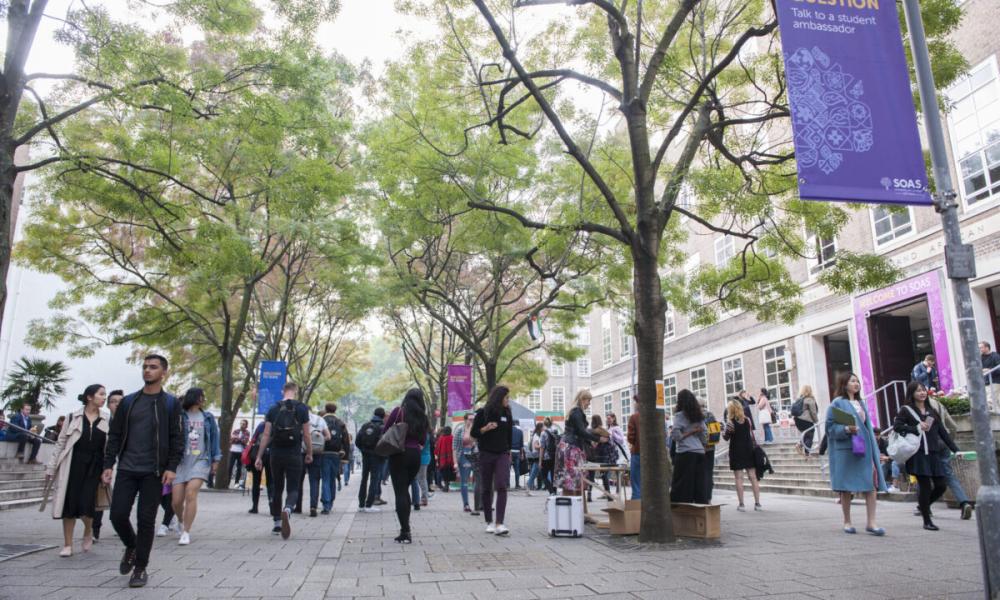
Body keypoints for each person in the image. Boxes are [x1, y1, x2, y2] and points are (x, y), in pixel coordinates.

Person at [102, 354, 183, 588]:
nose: (147, 370)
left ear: (163, 372)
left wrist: (171, 467)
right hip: (127, 467)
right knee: (117, 515)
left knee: (146, 520)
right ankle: (131, 544)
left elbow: (178, 438)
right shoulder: (128, 402)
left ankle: (140, 567)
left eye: (153, 367)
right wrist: (109, 464)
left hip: (154, 471)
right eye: (145, 367)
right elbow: (115, 435)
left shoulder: (170, 403)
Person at [45, 384, 110, 557]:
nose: (104, 397)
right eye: (101, 394)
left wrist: (108, 468)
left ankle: (88, 530)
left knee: (86, 504)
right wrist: (51, 467)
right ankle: (67, 544)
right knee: (70, 504)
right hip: (72, 464)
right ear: (90, 397)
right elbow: (60, 443)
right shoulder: (72, 417)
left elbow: (109, 447)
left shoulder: (106, 419)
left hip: (95, 466)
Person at [826, 371, 886, 536]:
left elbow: (867, 426)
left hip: (863, 448)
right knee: (846, 488)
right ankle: (847, 521)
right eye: (852, 381)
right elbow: (830, 428)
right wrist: (846, 429)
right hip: (847, 450)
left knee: (871, 485)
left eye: (858, 381)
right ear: (844, 384)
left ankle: (871, 522)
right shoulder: (837, 403)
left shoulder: (861, 403)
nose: (856, 383)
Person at [895, 382, 961, 531]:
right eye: (918, 391)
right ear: (912, 393)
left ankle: (923, 506)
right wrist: (916, 428)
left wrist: (955, 450)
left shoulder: (931, 411)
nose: (922, 393)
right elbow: (897, 427)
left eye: (923, 390)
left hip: (933, 452)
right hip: (918, 453)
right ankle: (927, 520)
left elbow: (943, 432)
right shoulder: (906, 410)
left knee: (941, 485)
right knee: (924, 486)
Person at [254, 382, 312, 540]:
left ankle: (277, 523)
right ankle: (288, 509)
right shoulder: (302, 408)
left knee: (276, 487)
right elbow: (306, 435)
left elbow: (266, 434)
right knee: (293, 487)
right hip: (294, 453)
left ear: (283, 391)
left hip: (276, 453)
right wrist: (309, 452)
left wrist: (259, 456)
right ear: (296, 391)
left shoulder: (273, 408)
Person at [172, 388, 221, 545]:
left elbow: (214, 438)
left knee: (191, 493)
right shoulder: (179, 416)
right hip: (180, 461)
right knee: (176, 501)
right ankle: (180, 520)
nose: (203, 400)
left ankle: (186, 531)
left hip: (201, 460)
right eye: (202, 397)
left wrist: (216, 459)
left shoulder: (207, 417)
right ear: (195, 398)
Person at [383, 388, 429, 543]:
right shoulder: (423, 416)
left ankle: (405, 531)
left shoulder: (398, 412)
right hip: (415, 455)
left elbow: (385, 430)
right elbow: (423, 440)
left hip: (398, 454)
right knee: (406, 490)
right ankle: (405, 529)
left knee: (401, 492)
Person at [471, 385, 514, 536]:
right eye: (507, 397)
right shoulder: (482, 413)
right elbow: (474, 433)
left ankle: (500, 523)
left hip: (502, 453)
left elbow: (509, 435)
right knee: (486, 487)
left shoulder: (507, 414)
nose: (508, 400)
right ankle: (489, 521)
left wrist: (509, 452)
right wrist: (486, 428)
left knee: (502, 485)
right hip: (486, 453)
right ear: (499, 397)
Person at [927, 393, 975, 520]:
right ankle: (964, 502)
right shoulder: (938, 404)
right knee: (949, 475)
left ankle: (924, 506)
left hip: (929, 445)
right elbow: (952, 425)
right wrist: (950, 442)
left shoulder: (919, 406)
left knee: (924, 476)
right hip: (944, 442)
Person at [557, 390, 604, 496]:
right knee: (576, 480)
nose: (589, 403)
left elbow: (579, 432)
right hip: (572, 448)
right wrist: (598, 439)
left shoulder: (574, 411)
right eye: (588, 400)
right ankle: (576, 507)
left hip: (568, 446)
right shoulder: (577, 412)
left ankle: (571, 507)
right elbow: (581, 432)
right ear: (583, 399)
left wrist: (591, 440)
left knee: (568, 480)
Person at [92, 389, 123, 543]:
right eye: (113, 401)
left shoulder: (131, 422)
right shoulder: (102, 421)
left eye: (120, 402)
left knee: (120, 499)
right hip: (104, 464)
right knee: (99, 497)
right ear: (108, 405)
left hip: (124, 465)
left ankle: (120, 524)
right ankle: (94, 529)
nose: (116, 404)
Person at [723, 399, 761, 511]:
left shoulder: (730, 423)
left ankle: (741, 505)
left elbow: (726, 437)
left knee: (739, 478)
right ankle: (757, 503)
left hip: (736, 451)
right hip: (749, 450)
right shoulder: (747, 420)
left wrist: (723, 430)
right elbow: (751, 434)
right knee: (753, 477)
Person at [670, 389, 707, 504]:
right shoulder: (699, 415)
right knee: (698, 484)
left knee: (682, 485)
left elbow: (676, 436)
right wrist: (702, 445)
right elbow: (704, 434)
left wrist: (689, 432)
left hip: (685, 452)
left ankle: (683, 511)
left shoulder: (679, 416)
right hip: (699, 452)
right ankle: (701, 510)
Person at [296, 407, 329, 517]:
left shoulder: (298, 419)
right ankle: (313, 506)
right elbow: (328, 436)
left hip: (301, 453)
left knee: (298, 480)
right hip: (317, 453)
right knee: (314, 480)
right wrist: (318, 439)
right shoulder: (320, 420)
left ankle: (298, 506)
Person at [355, 407, 385, 512]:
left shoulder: (365, 425)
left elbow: (357, 441)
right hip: (377, 457)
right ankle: (369, 504)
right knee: (374, 479)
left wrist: (363, 450)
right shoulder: (382, 427)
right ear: (383, 415)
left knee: (364, 479)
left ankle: (361, 504)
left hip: (366, 456)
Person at [321, 403, 348, 515]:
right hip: (336, 454)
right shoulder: (341, 423)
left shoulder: (321, 420)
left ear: (325, 409)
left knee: (325, 479)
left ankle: (326, 504)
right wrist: (345, 458)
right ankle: (331, 502)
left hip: (323, 452)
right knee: (332, 478)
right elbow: (346, 440)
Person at [453, 413, 478, 511]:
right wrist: (455, 462)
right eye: (470, 419)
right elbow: (454, 447)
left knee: (478, 480)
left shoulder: (476, 430)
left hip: (475, 455)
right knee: (465, 481)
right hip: (463, 455)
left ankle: (478, 503)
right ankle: (466, 504)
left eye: (473, 419)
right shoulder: (459, 430)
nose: (472, 421)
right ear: (465, 420)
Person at [246, 420, 272, 515]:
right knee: (271, 482)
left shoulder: (261, 425)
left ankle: (255, 507)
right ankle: (272, 506)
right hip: (270, 455)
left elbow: (253, 439)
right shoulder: (277, 426)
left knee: (256, 482)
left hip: (257, 454)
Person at [794, 385, 820, 456]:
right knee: (810, 436)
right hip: (806, 420)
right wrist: (816, 421)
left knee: (806, 434)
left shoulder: (799, 399)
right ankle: (806, 453)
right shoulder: (809, 399)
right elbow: (813, 412)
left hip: (798, 420)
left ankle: (800, 444)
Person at [412, 431, 432, 509]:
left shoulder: (424, 434)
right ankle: (423, 498)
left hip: (423, 458)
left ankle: (424, 499)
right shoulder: (426, 434)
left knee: (422, 479)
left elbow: (421, 447)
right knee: (421, 479)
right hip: (424, 457)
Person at [538, 417, 558, 495]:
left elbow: (542, 448)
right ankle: (555, 491)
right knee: (554, 475)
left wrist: (540, 461)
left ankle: (551, 491)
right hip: (554, 456)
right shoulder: (555, 431)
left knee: (544, 476)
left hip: (546, 457)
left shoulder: (543, 433)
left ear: (544, 424)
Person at [229, 420, 250, 488]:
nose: (242, 425)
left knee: (239, 467)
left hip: (241, 451)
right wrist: (239, 439)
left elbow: (245, 441)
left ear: (246, 425)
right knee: (230, 466)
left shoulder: (247, 432)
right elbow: (231, 440)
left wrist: (237, 438)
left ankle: (236, 482)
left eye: (243, 424)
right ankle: (228, 482)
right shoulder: (236, 431)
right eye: (241, 423)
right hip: (233, 450)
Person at [626, 400, 640, 500]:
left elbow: (631, 437)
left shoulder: (634, 417)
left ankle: (636, 511)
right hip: (653, 456)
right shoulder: (656, 416)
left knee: (636, 483)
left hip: (638, 452)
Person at [435, 426, 454, 492]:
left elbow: (437, 448)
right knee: (449, 472)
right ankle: (447, 485)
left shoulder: (441, 438)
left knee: (443, 471)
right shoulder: (452, 438)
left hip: (442, 458)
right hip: (450, 458)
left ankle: (442, 485)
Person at [982, 341, 1000, 408]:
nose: (979, 349)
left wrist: (989, 370)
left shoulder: (995, 356)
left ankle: (988, 417)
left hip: (995, 381)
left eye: (981, 347)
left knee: (990, 400)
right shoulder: (980, 358)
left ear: (987, 348)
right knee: (997, 401)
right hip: (986, 382)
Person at [526, 422, 543, 491]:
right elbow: (536, 446)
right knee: (534, 473)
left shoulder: (536, 435)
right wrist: (542, 446)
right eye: (543, 427)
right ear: (540, 428)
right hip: (537, 455)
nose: (544, 428)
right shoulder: (536, 436)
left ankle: (529, 486)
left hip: (536, 455)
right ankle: (528, 485)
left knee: (534, 473)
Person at [510, 424, 525, 491]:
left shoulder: (508, 431)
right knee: (517, 469)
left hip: (510, 452)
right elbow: (521, 445)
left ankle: (507, 485)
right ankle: (517, 485)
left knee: (508, 469)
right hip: (517, 452)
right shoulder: (520, 431)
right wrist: (522, 454)